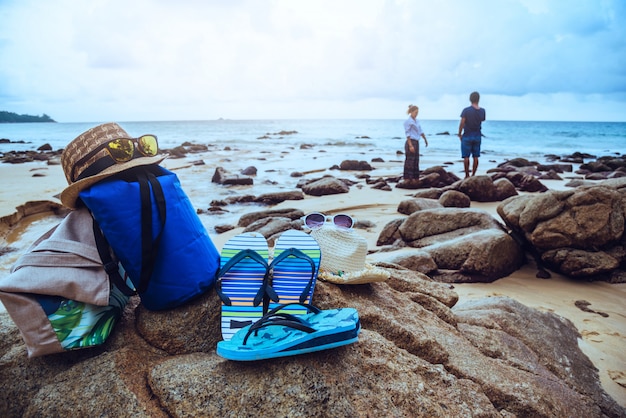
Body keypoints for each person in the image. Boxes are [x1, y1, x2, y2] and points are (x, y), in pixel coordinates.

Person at [458, 91, 486, 178]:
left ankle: (467, 175)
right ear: (478, 99)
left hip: (467, 134)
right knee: (476, 156)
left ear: (470, 99)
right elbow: (482, 120)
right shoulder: (482, 111)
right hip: (477, 134)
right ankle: (473, 174)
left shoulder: (466, 110)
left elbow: (462, 122)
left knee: (466, 156)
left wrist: (459, 133)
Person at [401, 104, 428, 188]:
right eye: (415, 112)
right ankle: (408, 178)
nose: (416, 114)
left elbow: (420, 131)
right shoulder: (408, 122)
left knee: (416, 160)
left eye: (417, 112)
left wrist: (425, 139)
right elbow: (407, 134)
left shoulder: (417, 121)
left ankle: (415, 178)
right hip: (411, 141)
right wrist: (410, 145)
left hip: (416, 141)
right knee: (410, 160)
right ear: (411, 112)